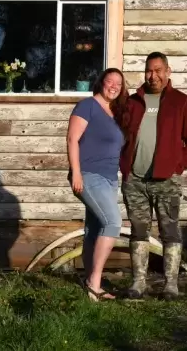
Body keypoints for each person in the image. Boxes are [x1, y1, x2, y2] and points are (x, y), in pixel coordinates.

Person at [120, 52, 187, 300]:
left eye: (157, 70)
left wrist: (180, 165)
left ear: (168, 72)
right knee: (138, 229)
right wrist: (123, 165)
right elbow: (119, 134)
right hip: (135, 180)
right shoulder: (133, 102)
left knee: (170, 231)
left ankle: (170, 285)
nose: (152, 75)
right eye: (148, 70)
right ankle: (138, 283)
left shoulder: (181, 102)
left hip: (167, 180)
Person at [67, 67, 127, 301]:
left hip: (110, 179)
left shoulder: (115, 113)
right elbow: (72, 139)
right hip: (89, 175)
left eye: (118, 84)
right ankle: (95, 284)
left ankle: (89, 280)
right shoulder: (87, 106)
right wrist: (76, 173)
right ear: (101, 83)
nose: (113, 86)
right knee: (113, 222)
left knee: (95, 228)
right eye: (110, 81)